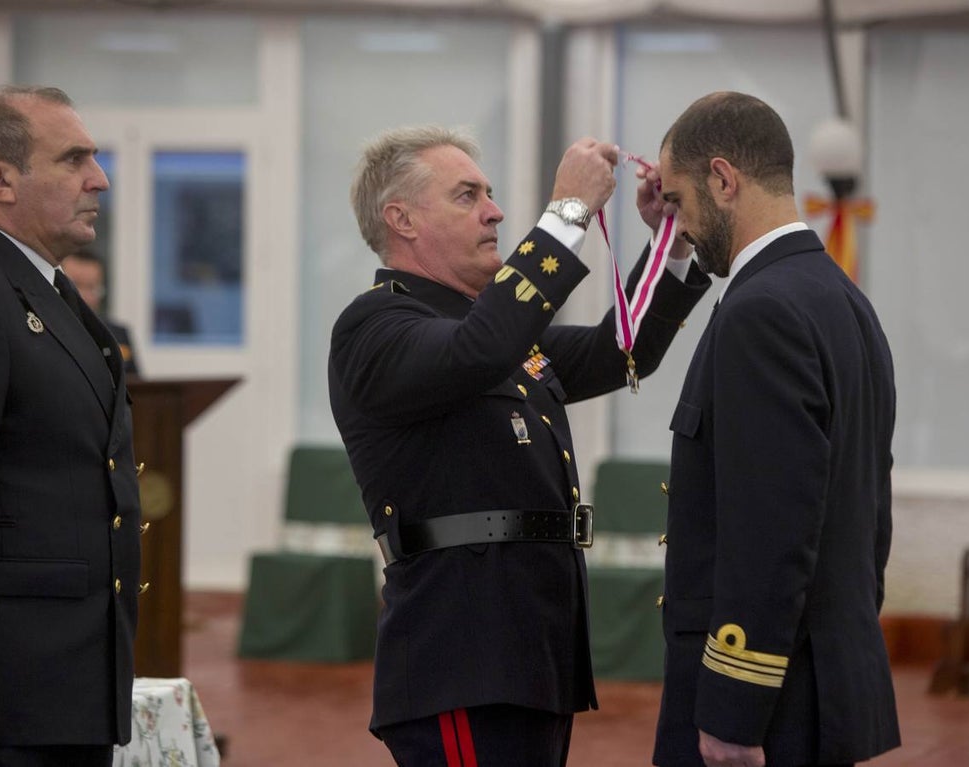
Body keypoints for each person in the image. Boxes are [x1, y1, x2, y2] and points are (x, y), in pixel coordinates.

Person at [328, 126, 710, 766]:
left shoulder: (489, 333)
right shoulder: (375, 325)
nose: (495, 210)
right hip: (461, 655)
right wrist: (567, 212)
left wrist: (667, 241)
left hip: (534, 648)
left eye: (490, 193)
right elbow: (478, 352)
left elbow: (619, 353)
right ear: (402, 219)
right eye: (466, 195)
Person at [652, 91, 900, 767]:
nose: (675, 228)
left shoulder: (760, 312)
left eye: (677, 203)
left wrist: (734, 707)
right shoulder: (842, 299)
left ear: (724, 180)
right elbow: (870, 513)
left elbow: (770, 527)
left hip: (768, 707)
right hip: (819, 685)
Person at [0, 85, 142, 767]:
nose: (99, 179)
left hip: (67, 683)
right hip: (7, 695)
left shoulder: (41, 288)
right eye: (74, 159)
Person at [62, 249, 141, 375]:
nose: (83, 296)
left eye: (91, 287)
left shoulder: (117, 335)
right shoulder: (47, 331)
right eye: (75, 285)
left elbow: (136, 387)